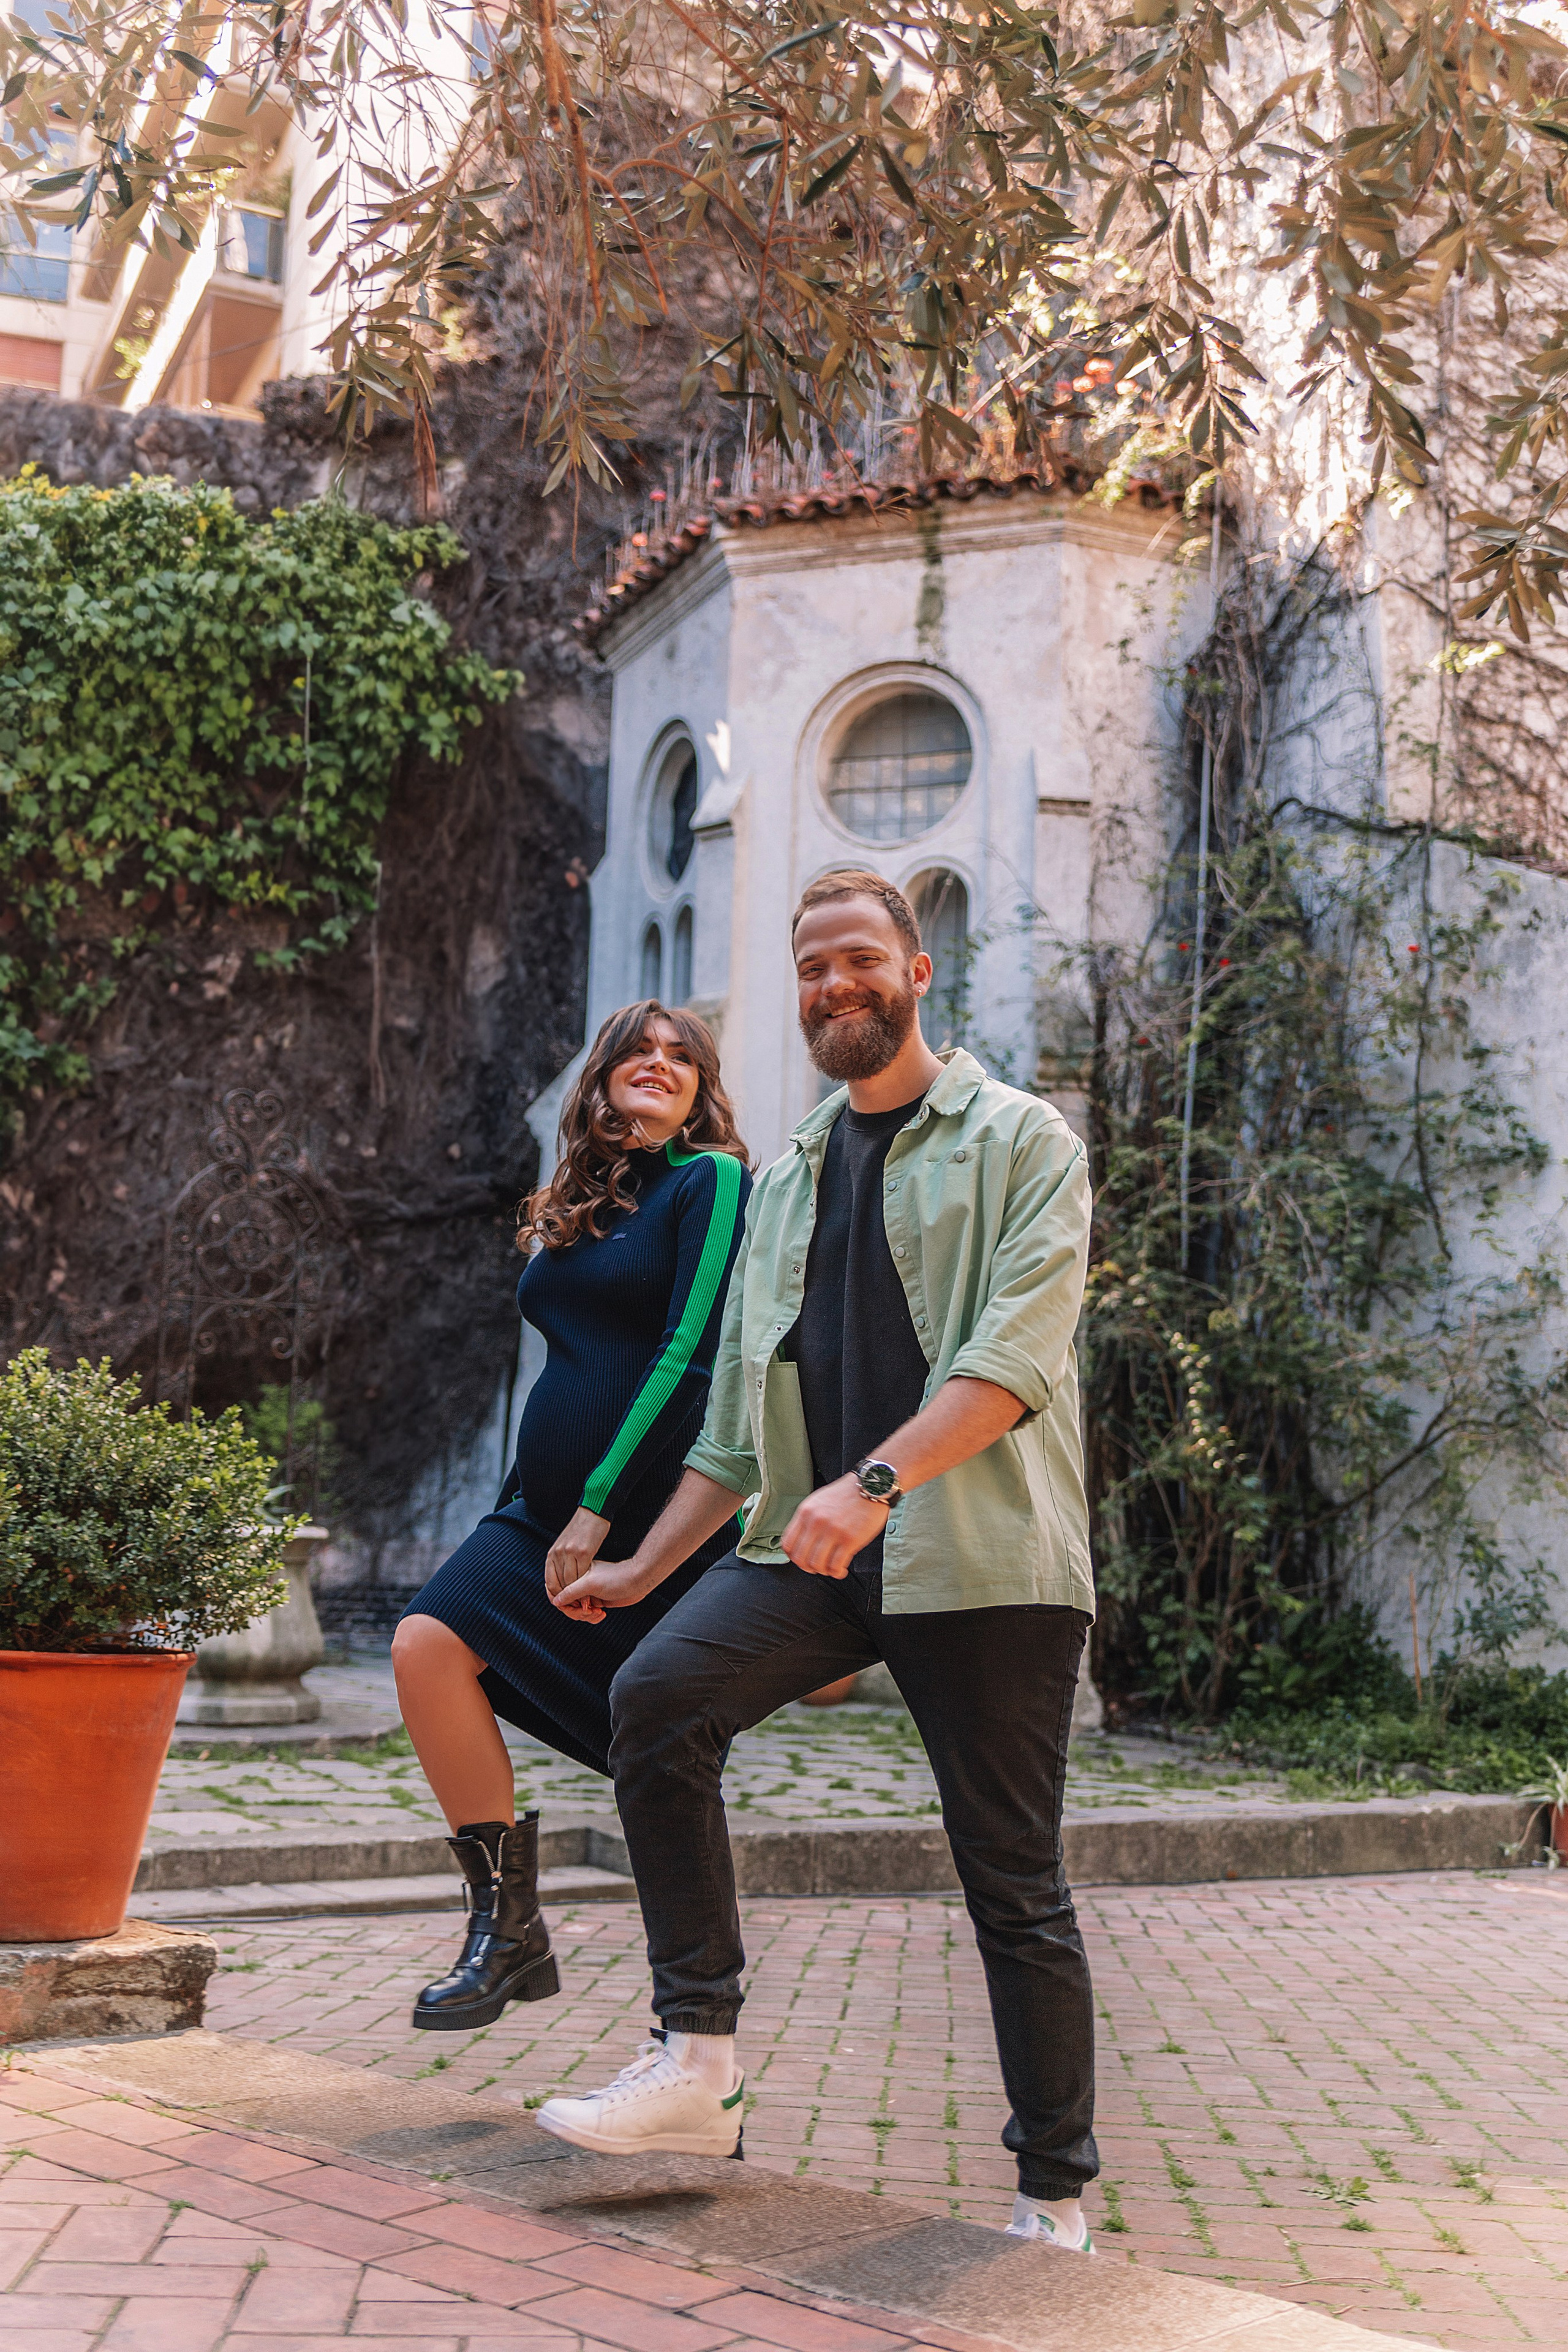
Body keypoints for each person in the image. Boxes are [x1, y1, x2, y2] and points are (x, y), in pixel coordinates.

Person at [537, 871, 1099, 2252]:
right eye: (809, 969)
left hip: (983, 1556)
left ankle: (1053, 2200)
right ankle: (698, 2062)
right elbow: (736, 1426)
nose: (831, 985)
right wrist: (647, 1564)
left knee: (1009, 1879)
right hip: (815, 1546)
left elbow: (1014, 1359)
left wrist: (877, 1480)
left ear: (915, 972)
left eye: (859, 959)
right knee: (656, 1695)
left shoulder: (1022, 1140)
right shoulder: (784, 1179)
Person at [391, 1001, 752, 2034]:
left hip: (646, 1522)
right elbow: (566, 1366)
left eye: (681, 1057)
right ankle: (506, 1932)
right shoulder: (583, 1205)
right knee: (425, 1646)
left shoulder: (710, 1182)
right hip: (538, 1512)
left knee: (659, 1764)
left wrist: (596, 1508)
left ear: (700, 1091)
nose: (658, 1063)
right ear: (599, 1080)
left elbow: (690, 1354)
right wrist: (532, 1501)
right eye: (638, 1051)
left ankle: (694, 2033)